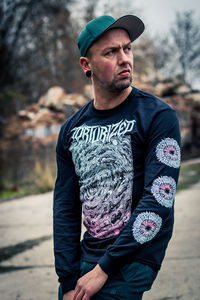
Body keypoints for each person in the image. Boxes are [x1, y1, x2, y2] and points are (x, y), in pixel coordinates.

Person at [53, 14, 181, 300]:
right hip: (87, 258)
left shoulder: (157, 116)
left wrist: (104, 269)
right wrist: (68, 278)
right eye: (111, 52)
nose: (125, 58)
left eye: (127, 48)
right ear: (87, 65)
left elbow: (159, 199)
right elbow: (65, 207)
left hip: (131, 260)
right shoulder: (72, 130)